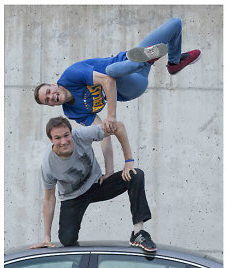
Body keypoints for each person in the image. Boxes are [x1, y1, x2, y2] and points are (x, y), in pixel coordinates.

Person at [34, 17, 201, 180]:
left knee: (175, 24)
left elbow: (106, 81)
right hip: (131, 86)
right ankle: (146, 59)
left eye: (49, 91)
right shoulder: (73, 111)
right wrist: (110, 170)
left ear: (53, 85)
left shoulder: (71, 76)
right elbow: (102, 133)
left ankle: (173, 63)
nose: (51, 97)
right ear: (49, 106)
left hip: (128, 60)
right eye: (47, 100)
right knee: (111, 71)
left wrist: (111, 115)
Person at [30, 116, 156, 252]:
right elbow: (49, 199)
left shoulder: (81, 136)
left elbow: (118, 127)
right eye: (57, 138)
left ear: (71, 133)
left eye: (66, 135)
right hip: (72, 198)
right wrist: (46, 237)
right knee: (67, 240)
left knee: (135, 175)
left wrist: (128, 162)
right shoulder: (48, 164)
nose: (64, 141)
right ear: (51, 140)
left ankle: (138, 233)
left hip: (97, 184)